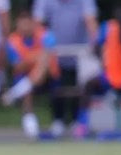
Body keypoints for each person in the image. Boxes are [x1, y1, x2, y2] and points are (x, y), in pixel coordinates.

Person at [75, 7, 121, 139]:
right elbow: (95, 47)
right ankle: (82, 125)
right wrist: (104, 60)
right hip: (108, 76)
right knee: (88, 85)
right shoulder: (108, 28)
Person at [32, 0, 99, 136]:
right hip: (54, 52)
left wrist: (95, 45)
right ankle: (58, 120)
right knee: (56, 86)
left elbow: (91, 22)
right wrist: (45, 42)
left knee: (82, 85)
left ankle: (77, 121)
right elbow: (37, 24)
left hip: (80, 51)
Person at [1, 10, 60, 139]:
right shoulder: (12, 41)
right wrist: (35, 57)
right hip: (25, 76)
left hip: (49, 76)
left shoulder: (46, 35)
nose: (25, 28)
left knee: (43, 62)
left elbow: (48, 57)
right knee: (29, 83)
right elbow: (17, 66)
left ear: (33, 24)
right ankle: (31, 128)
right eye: (22, 25)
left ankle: (15, 92)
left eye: (28, 24)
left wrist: (31, 58)